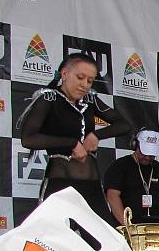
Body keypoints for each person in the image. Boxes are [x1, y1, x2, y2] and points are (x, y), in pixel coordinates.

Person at [18, 53, 132, 224]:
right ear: (64, 74)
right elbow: (28, 139)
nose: (84, 85)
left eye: (90, 81)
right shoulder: (49, 98)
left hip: (92, 185)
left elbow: (124, 125)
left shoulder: (91, 100)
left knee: (100, 236)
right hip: (60, 184)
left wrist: (97, 135)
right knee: (55, 235)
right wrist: (71, 143)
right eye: (80, 77)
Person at [104, 128, 159, 225]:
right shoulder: (120, 166)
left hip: (154, 227)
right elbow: (112, 196)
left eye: (151, 154)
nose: (147, 157)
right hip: (125, 226)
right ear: (135, 145)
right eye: (144, 153)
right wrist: (127, 226)